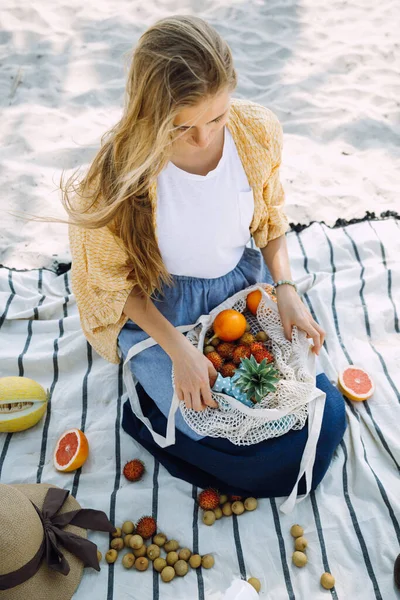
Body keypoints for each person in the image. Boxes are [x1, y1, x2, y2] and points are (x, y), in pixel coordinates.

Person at [66, 15, 346, 498]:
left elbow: (269, 221)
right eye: (182, 126)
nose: (204, 138)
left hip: (239, 295)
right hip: (160, 315)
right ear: (148, 113)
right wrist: (179, 351)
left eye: (216, 118)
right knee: (221, 435)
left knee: (320, 411)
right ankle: (148, 406)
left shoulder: (254, 134)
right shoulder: (114, 176)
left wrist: (285, 289)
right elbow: (113, 286)